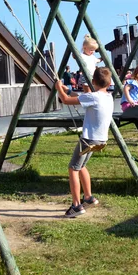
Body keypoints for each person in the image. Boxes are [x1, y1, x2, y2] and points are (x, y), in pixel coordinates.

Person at [54, 68, 113, 218]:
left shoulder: (94, 97)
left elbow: (66, 101)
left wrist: (59, 89)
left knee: (73, 168)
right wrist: (68, 90)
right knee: (82, 166)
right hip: (101, 140)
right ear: (110, 82)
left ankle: (76, 205)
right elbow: (83, 97)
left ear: (93, 82)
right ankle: (88, 197)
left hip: (88, 139)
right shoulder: (108, 97)